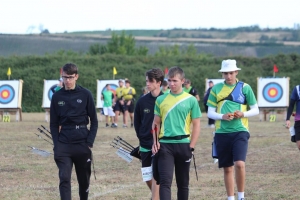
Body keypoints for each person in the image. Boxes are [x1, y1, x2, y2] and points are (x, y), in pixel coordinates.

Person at [207, 59, 259, 200]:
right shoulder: (215, 89)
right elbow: (210, 112)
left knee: (239, 164)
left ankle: (241, 196)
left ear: (236, 72)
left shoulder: (245, 87)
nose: (228, 76)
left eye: (231, 73)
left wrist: (243, 114)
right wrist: (222, 116)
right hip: (221, 133)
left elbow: (256, 110)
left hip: (240, 131)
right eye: (225, 73)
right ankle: (231, 198)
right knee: (227, 167)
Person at [50, 63, 98, 200]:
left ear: (76, 76)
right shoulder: (57, 97)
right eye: (65, 77)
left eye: (70, 77)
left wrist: (89, 142)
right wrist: (57, 144)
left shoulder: (86, 94)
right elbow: (53, 124)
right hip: (64, 143)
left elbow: (94, 120)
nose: (67, 81)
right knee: (64, 177)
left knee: (84, 181)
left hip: (82, 142)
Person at [152, 66, 201, 200]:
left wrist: (191, 146)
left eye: (175, 81)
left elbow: (196, 125)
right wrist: (155, 142)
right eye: (169, 81)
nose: (171, 84)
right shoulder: (161, 100)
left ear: (183, 81)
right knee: (165, 183)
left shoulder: (191, 100)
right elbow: (155, 123)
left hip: (184, 144)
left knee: (183, 184)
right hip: (165, 146)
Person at [134, 68, 164, 200]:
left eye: (150, 81)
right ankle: (159, 195)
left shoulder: (165, 100)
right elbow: (137, 122)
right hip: (145, 143)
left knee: (156, 175)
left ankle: (156, 197)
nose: (148, 84)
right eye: (147, 81)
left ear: (159, 83)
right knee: (147, 176)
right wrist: (141, 138)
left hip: (161, 144)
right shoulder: (142, 101)